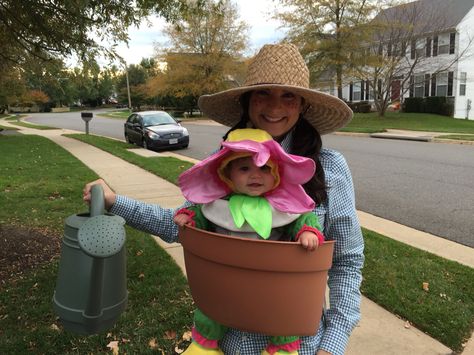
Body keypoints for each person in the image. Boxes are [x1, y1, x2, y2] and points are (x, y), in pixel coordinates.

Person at [84, 43, 364, 355]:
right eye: (263, 94)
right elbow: (181, 225)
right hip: (229, 343)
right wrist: (113, 202)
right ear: (247, 102)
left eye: (288, 96)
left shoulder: (328, 167)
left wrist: (333, 343)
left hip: (298, 346)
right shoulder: (224, 165)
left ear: (302, 105)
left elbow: (347, 260)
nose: (275, 107)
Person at [174, 128, 325, 355]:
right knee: (212, 309)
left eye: (264, 168)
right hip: (224, 279)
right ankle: (204, 345)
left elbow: (302, 217)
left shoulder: (283, 205)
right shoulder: (217, 204)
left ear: (276, 174)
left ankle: (283, 348)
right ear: (227, 175)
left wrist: (307, 232)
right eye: (244, 168)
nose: (255, 176)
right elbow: (202, 215)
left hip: (271, 280)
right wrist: (189, 218)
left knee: (283, 312)